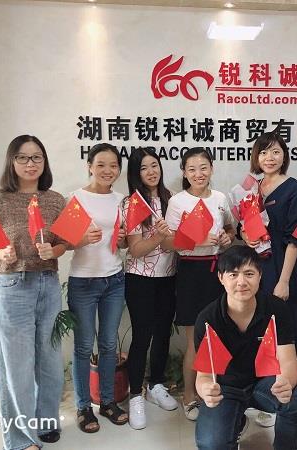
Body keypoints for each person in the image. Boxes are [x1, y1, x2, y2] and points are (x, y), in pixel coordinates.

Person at [0, 135, 67, 450]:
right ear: (11, 161)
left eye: (37, 157)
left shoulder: (54, 199)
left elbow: (64, 242)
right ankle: (20, 439)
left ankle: (46, 421)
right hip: (13, 286)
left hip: (48, 284)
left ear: (45, 162)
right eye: (23, 157)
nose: (31, 164)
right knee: (16, 367)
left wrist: (53, 251)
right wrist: (1, 253)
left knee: (50, 361)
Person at [194, 245, 297, 450]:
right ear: (221, 278)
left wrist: (286, 383)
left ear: (260, 275)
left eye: (249, 274)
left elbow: (289, 362)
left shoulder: (276, 309)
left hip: (264, 383)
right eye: (233, 274)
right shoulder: (208, 319)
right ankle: (234, 421)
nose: (241, 282)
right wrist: (205, 390)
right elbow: (203, 375)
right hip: (226, 388)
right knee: (211, 443)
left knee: (296, 403)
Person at [241, 130, 297, 427]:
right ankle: (258, 397)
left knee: (281, 331)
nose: (269, 158)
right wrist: (245, 234)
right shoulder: (253, 186)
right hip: (256, 267)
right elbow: (247, 224)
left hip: (282, 266)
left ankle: (280, 398)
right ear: (256, 157)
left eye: (275, 152)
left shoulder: (295, 188)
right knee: (257, 331)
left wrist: (283, 281)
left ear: (284, 156)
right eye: (263, 152)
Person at [163, 147, 236, 421]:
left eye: (203, 167)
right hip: (190, 273)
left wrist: (227, 238)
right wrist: (197, 241)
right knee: (195, 341)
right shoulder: (178, 201)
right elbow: (168, 242)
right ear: (184, 172)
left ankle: (217, 392)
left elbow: (229, 228)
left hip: (218, 273)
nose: (198, 174)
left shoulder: (220, 198)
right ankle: (189, 396)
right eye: (192, 169)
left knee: (220, 337)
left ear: (212, 169)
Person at [67, 143, 128, 433]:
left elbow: (123, 242)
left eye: (113, 165)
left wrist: (124, 238)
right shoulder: (76, 198)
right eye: (101, 164)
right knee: (82, 347)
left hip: (114, 279)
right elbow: (64, 244)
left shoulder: (121, 200)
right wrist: (82, 239)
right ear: (90, 166)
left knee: (107, 345)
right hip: (83, 281)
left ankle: (107, 401)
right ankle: (82, 407)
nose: (107, 170)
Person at [123, 147, 178, 429]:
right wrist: (158, 236)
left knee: (163, 333)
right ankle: (135, 394)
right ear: (136, 173)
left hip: (169, 276)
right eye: (144, 167)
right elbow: (135, 249)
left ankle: (156, 384)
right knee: (142, 335)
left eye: (154, 165)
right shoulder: (132, 203)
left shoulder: (172, 199)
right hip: (140, 278)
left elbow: (177, 241)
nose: (151, 171)